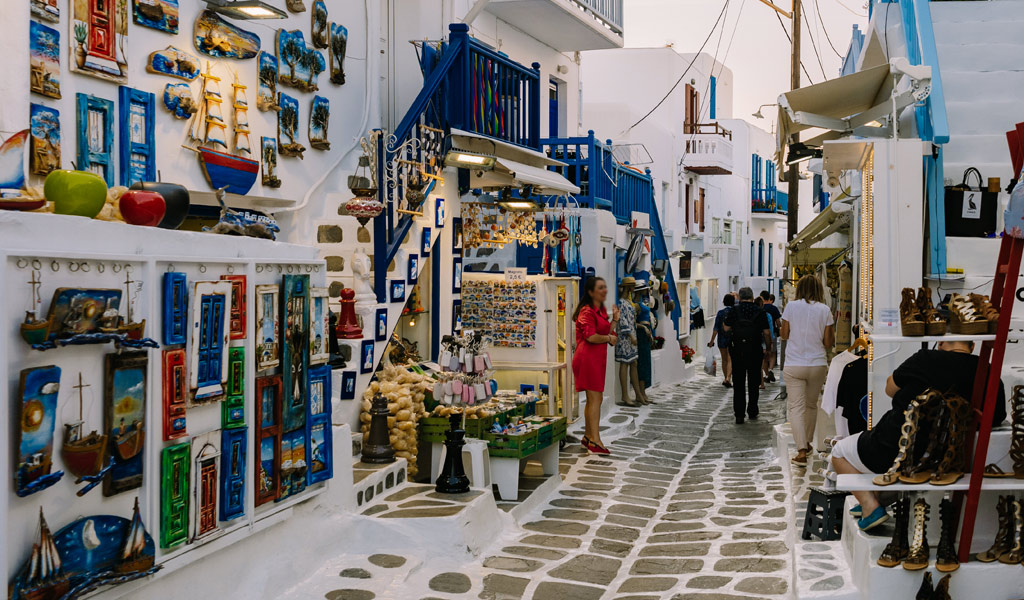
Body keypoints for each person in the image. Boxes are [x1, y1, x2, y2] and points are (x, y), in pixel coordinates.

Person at [831, 340, 1006, 530]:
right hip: (946, 455)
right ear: (972, 346)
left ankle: (869, 505)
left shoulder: (926, 359)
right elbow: (996, 416)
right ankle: (875, 497)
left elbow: (889, 388)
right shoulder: (987, 370)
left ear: (940, 343)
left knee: (838, 452)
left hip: (894, 446)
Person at [780, 275, 835, 466]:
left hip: (794, 363)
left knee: (796, 407)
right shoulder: (825, 310)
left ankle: (801, 450)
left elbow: (784, 335)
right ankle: (808, 444)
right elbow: (829, 343)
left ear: (800, 289)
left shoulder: (791, 307)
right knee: (811, 405)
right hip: (817, 364)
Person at [572, 277, 619, 455]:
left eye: (604, 287)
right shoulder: (587, 312)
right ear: (591, 292)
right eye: (600, 288)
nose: (604, 291)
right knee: (595, 399)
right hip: (587, 359)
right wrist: (608, 338)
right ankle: (595, 440)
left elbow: (604, 331)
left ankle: (588, 436)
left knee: (594, 399)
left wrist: (614, 321)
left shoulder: (597, 310)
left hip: (596, 359)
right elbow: (591, 336)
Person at [724, 287, 771, 424]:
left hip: (738, 350)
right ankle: (752, 410)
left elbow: (726, 328)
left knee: (738, 382)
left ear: (739, 297)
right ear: (752, 297)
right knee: (753, 380)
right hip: (754, 350)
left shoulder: (734, 310)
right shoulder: (759, 311)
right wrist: (768, 348)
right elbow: (767, 333)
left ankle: (739, 414)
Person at [615, 277, 650, 406]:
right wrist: (631, 335)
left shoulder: (629, 302)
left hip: (632, 336)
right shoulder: (621, 303)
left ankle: (638, 394)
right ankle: (625, 395)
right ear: (629, 287)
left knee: (633, 363)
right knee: (625, 363)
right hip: (625, 337)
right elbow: (622, 320)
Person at [708, 294, 736, 388]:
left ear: (724, 302)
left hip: (722, 339)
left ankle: (726, 378)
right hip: (733, 338)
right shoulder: (735, 312)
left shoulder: (720, 313)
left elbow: (716, 328)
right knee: (730, 359)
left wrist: (712, 340)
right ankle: (728, 378)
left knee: (724, 360)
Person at [634, 281, 654, 398]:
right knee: (643, 362)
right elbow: (633, 322)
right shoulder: (636, 305)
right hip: (641, 332)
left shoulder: (641, 302)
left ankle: (643, 392)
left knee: (646, 361)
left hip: (646, 331)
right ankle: (641, 393)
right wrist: (643, 328)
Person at [761, 291, 782, 381]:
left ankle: (766, 374)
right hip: (773, 333)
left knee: (764, 356)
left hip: (762, 334)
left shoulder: (760, 308)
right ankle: (771, 370)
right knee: (773, 353)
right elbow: (778, 322)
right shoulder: (773, 309)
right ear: (769, 298)